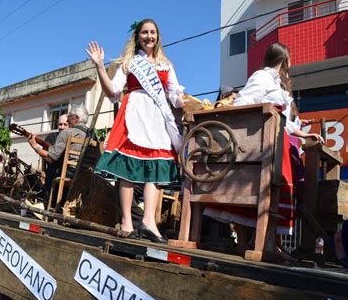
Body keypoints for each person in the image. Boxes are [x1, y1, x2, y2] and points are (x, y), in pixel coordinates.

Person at [204, 42, 323, 255]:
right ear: (284, 59)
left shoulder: (279, 84)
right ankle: (245, 243)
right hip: (261, 141)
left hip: (278, 140)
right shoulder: (262, 77)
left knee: (278, 189)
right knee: (248, 190)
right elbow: (243, 103)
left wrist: (304, 134)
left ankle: (271, 244)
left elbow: (285, 122)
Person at [86, 19, 186, 243]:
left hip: (157, 117)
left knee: (156, 167)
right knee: (128, 168)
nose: (149, 36)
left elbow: (173, 94)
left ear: (157, 36)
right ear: (137, 36)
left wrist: (184, 101)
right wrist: (100, 67)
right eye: (144, 32)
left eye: (152, 32)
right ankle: (127, 223)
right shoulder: (130, 62)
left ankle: (149, 222)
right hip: (134, 113)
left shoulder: (166, 65)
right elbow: (113, 92)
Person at [28, 105, 93, 211]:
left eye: (69, 117)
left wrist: (34, 146)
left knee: (52, 171)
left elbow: (50, 158)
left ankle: (51, 205)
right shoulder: (93, 136)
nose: (67, 120)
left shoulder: (67, 133)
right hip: (87, 175)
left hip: (71, 173)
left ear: (76, 118)